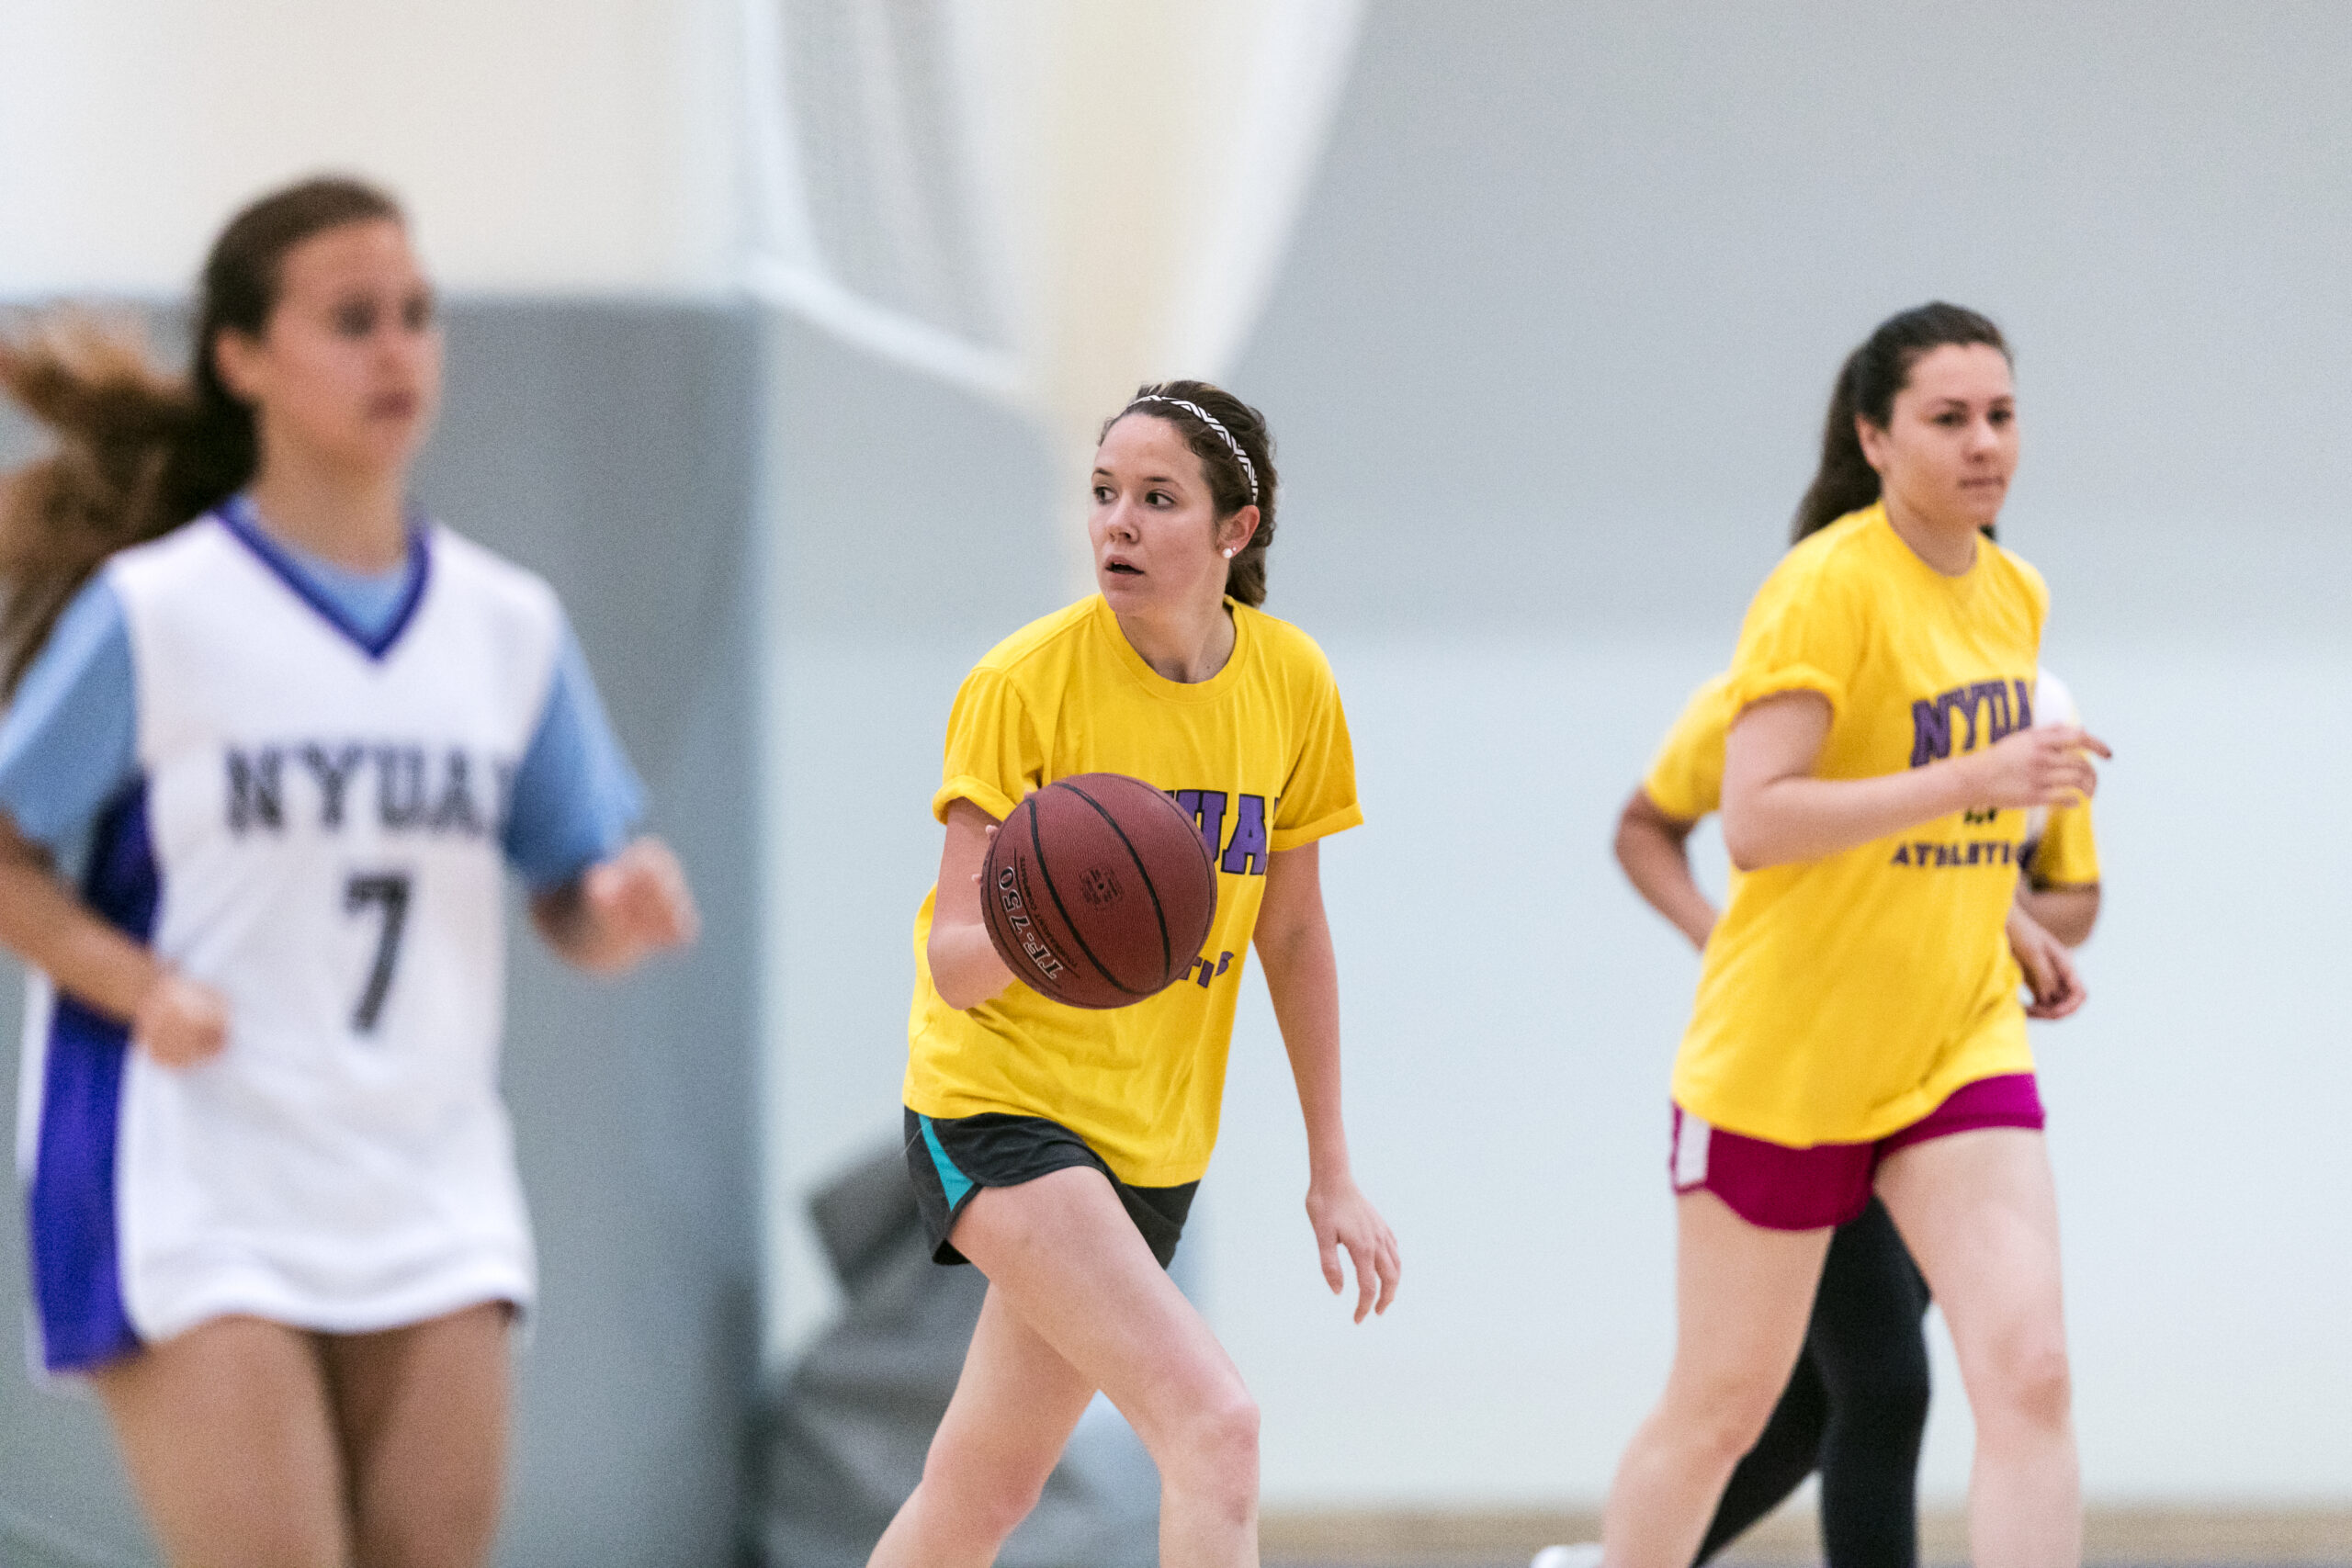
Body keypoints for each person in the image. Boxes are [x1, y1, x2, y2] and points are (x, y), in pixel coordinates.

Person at [0, 176, 696, 1568]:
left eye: (419, 316)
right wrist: (131, 984)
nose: (398, 350)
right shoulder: (164, 611)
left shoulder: (508, 626)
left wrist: (612, 907)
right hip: (193, 1159)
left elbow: (569, 878)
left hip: (427, 1169)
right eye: (353, 319)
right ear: (243, 358)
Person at [1588, 302, 2108, 1568]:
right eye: (1949, 418)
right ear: (1875, 437)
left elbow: (1930, 794)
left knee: (2026, 1373)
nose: (1984, 442)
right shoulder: (1821, 588)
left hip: (1953, 1038)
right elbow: (1759, 823)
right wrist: (1980, 781)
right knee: (1726, 1411)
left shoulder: (2015, 592)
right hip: (1790, 1056)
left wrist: (1996, 906)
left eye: (2001, 414)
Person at [872, 380, 1400, 1568]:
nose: (1118, 522)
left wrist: (1333, 1170)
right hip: (1000, 1111)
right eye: (1106, 493)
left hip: (1151, 1145)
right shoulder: (1023, 685)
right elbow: (956, 967)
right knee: (1216, 1424)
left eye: (1159, 500)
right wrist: (1055, 915)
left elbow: (1295, 935)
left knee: (979, 1491)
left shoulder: (1292, 685)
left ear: (1236, 529)